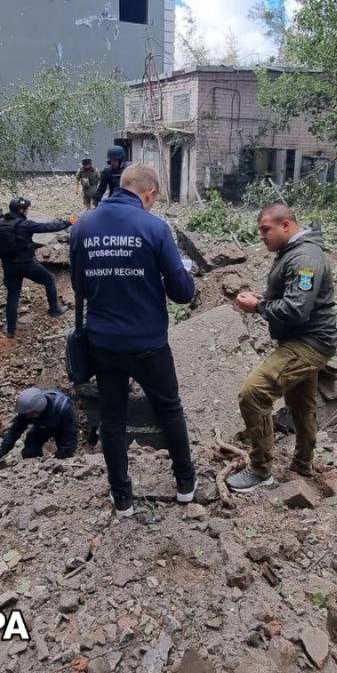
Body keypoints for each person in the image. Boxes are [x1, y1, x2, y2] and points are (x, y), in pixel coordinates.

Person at [70, 163, 198, 516]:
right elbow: (182, 293)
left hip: (103, 344)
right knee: (169, 408)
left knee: (112, 418)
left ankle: (122, 498)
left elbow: (80, 287)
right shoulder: (155, 228)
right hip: (148, 343)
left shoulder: (83, 227)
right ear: (150, 193)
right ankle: (186, 485)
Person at [227, 202, 337, 492]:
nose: (262, 236)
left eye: (266, 229)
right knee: (302, 406)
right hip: (301, 339)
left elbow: (296, 309)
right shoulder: (293, 252)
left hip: (309, 343)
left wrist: (259, 306)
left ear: (286, 225)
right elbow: (292, 297)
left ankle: (260, 470)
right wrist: (263, 297)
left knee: (253, 394)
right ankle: (303, 465)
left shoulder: (305, 259)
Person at [0, 196, 72, 336]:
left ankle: (11, 331)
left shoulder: (0, 224)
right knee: (49, 279)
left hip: (9, 266)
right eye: (27, 209)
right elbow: (48, 227)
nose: (28, 211)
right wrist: (69, 221)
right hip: (26, 264)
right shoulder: (26, 225)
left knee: (12, 295)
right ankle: (54, 310)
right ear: (22, 210)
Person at [0, 387, 77, 467]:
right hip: (41, 427)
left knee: (65, 456)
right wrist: (1, 452)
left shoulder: (64, 408)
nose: (27, 416)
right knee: (29, 452)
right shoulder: (28, 411)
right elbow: (14, 432)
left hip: (62, 428)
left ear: (39, 408)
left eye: (30, 414)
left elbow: (70, 437)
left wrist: (55, 462)